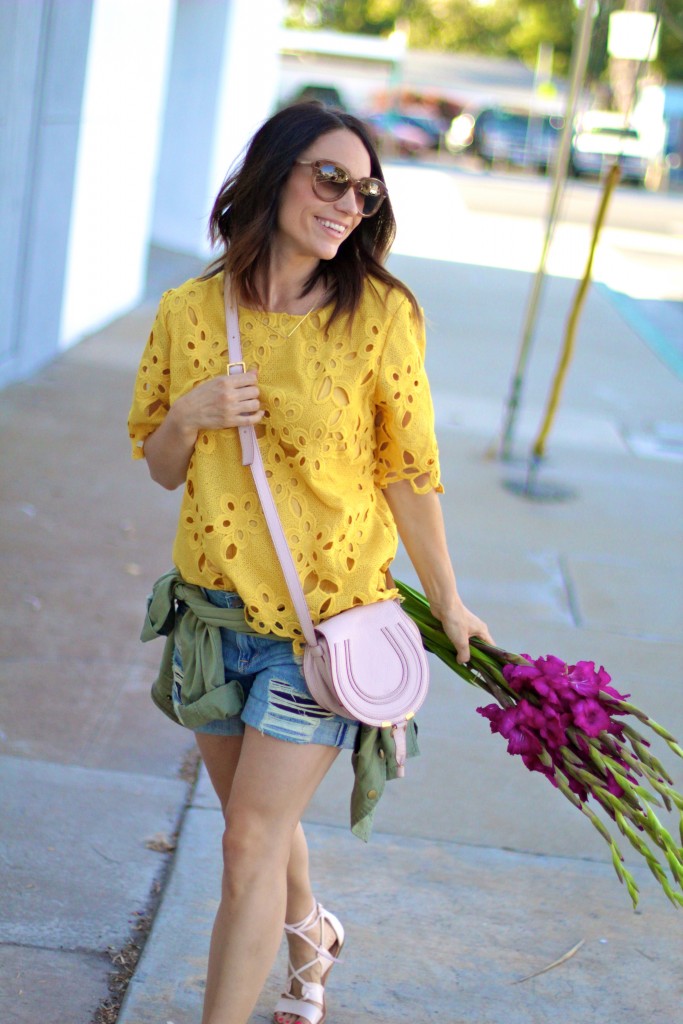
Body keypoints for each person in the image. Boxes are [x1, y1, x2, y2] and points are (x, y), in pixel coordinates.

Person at [128, 101, 492, 1024]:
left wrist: (448, 600)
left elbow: (410, 471)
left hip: (321, 630)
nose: (346, 204)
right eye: (329, 177)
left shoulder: (378, 317)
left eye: (364, 193)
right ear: (273, 173)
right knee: (262, 831)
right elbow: (161, 464)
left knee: (248, 841)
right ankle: (312, 933)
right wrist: (189, 414)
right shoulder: (186, 312)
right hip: (212, 623)